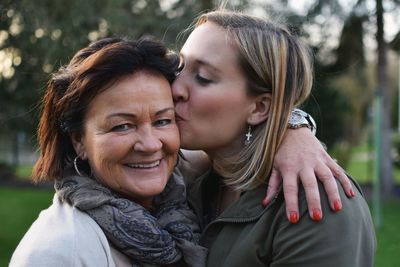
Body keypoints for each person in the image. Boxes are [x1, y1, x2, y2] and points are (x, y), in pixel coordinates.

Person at [172, 9, 376, 266]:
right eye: (178, 67)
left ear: (259, 108)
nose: (176, 88)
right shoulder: (187, 179)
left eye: (203, 77)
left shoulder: (316, 206)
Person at [9, 37, 207, 267]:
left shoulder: (189, 193)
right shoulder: (59, 252)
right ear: (79, 141)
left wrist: (261, 168)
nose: (151, 145)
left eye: (162, 121)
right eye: (122, 126)